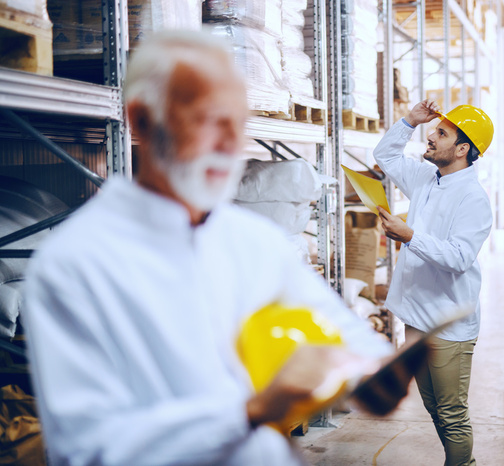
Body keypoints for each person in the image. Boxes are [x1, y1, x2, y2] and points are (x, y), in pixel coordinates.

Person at [21, 30, 409, 465]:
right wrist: (251, 411)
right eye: (208, 119)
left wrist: (373, 369)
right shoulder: (75, 266)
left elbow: (337, 325)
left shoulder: (250, 239)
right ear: (142, 121)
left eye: (237, 121)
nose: (229, 142)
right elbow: (88, 448)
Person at [373, 99, 494, 466]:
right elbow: (385, 154)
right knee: (433, 406)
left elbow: (458, 258)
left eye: (441, 132)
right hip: (417, 316)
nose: (431, 135)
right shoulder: (428, 178)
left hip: (448, 321)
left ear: (462, 149)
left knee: (452, 413)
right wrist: (410, 120)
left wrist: (410, 235)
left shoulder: (473, 198)